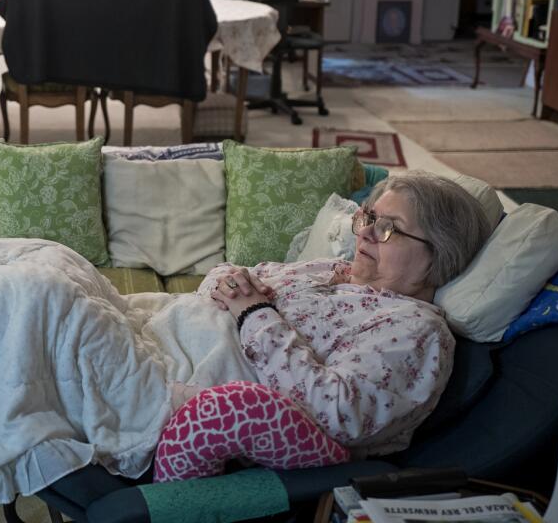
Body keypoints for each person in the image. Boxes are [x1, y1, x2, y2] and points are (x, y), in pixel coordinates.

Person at [198, 171, 492, 458]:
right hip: (164, 325)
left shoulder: (416, 330)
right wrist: (230, 282)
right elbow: (225, 276)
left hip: (192, 392)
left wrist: (253, 312)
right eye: (370, 218)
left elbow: (338, 413)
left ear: (439, 253)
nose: (364, 233)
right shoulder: (333, 268)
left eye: (388, 228)